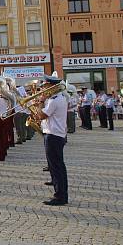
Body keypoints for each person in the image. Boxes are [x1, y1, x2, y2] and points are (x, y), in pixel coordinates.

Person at [38, 75, 69, 206]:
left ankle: (60, 196)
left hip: (53, 136)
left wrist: (40, 102)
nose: (43, 89)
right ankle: (62, 194)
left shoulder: (53, 100)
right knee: (58, 166)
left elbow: (41, 115)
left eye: (45, 86)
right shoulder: (59, 98)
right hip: (57, 135)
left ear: (52, 87)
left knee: (56, 167)